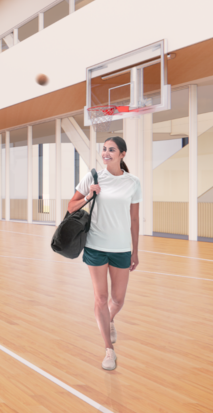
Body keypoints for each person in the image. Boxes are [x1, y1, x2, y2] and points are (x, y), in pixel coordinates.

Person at [67, 136, 141, 371]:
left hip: (121, 248)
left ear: (122, 154)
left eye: (112, 149)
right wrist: (89, 195)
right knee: (100, 298)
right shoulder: (93, 177)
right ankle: (109, 351)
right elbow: (71, 207)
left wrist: (135, 251)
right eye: (104, 149)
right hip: (95, 246)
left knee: (117, 300)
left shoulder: (133, 182)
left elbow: (134, 219)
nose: (106, 153)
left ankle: (109, 320)